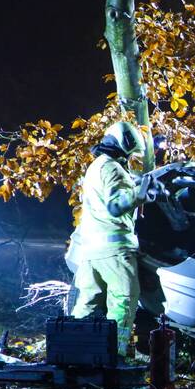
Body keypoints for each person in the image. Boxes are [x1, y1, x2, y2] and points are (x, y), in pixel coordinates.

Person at [70, 121, 153, 358]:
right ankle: (113, 356)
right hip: (114, 252)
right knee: (123, 302)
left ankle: (72, 352)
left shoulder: (96, 166)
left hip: (91, 251)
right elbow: (116, 205)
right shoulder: (114, 169)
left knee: (86, 305)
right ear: (123, 148)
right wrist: (139, 194)